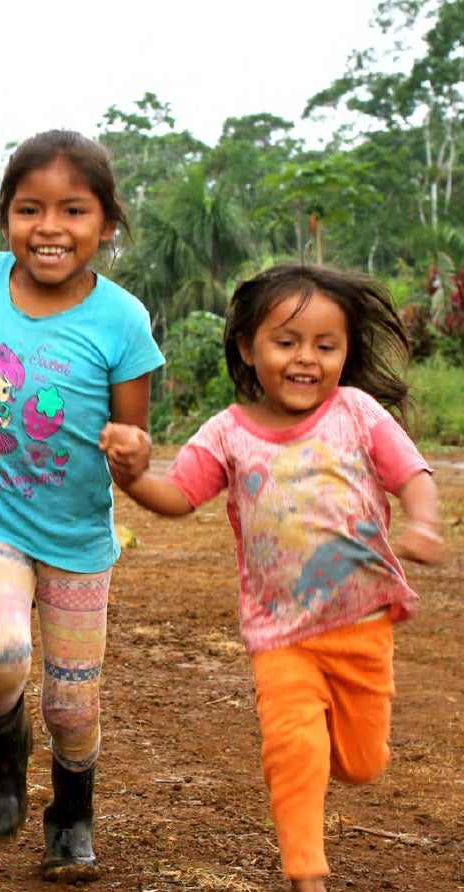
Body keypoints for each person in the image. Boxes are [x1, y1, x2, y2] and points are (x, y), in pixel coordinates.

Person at [100, 264, 443, 892]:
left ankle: (344, 751)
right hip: (280, 635)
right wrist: (132, 477)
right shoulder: (228, 432)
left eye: (325, 345)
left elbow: (412, 473)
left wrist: (424, 524)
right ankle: (304, 873)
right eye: (286, 342)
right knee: (294, 749)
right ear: (247, 348)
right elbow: (178, 494)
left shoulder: (358, 413)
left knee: (363, 764)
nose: (305, 358)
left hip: (362, 627)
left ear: (346, 352)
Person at [0, 129, 164, 882]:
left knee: (73, 708)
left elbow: (132, 436)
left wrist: (132, 454)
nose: (49, 228)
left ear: (106, 224)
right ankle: (3, 744)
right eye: (29, 209)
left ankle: (70, 812)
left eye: (72, 211)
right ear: (5, 217)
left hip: (76, 536)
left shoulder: (121, 320)